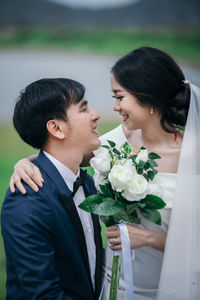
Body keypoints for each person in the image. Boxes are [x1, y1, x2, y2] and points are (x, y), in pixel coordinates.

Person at [8, 47, 200, 300]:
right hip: (113, 287)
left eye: (120, 97)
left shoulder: (194, 156)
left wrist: (150, 238)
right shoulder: (114, 143)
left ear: (148, 95)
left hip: (173, 287)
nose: (113, 107)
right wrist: (24, 162)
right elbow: (62, 156)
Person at [1, 78, 103, 299]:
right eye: (84, 108)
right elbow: (42, 294)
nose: (96, 114)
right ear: (56, 128)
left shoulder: (86, 180)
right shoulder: (26, 201)